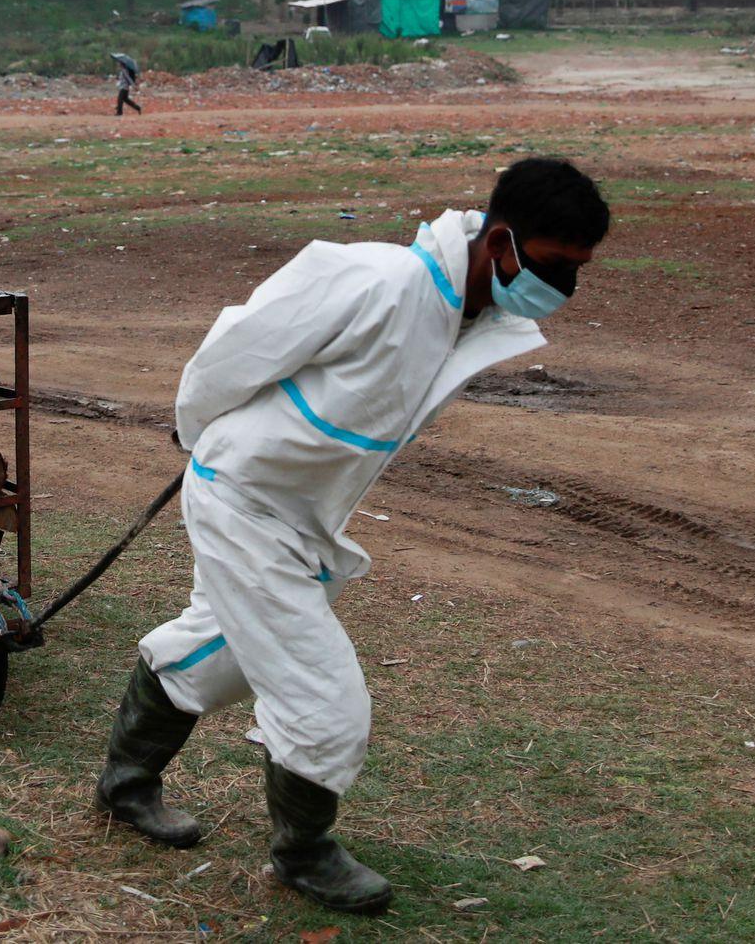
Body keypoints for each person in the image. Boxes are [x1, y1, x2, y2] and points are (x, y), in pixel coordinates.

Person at [94, 158, 610, 915]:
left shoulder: (474, 315)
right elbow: (235, 350)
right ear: (500, 241)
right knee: (324, 698)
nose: (564, 287)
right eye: (557, 265)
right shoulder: (378, 280)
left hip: (296, 515)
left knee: (221, 654)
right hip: (244, 500)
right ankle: (303, 853)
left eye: (578, 270)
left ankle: (124, 782)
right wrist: (201, 439)